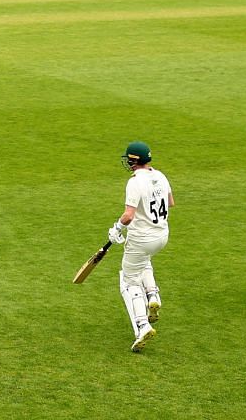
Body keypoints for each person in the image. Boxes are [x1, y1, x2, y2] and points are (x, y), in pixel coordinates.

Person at [104, 141, 173, 353]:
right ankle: (152, 295)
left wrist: (116, 228)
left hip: (141, 238)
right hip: (161, 235)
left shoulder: (134, 182)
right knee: (144, 261)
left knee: (128, 281)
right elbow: (170, 202)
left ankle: (142, 325)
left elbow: (129, 215)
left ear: (134, 161)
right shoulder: (160, 175)